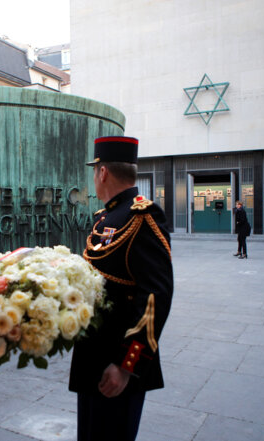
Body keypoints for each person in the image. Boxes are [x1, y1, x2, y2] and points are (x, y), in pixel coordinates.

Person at [69, 136, 174, 441]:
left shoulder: (143, 216)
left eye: (94, 171)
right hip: (93, 356)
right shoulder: (107, 217)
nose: (94, 178)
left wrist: (127, 365)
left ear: (102, 172)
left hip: (117, 363)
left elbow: (156, 297)